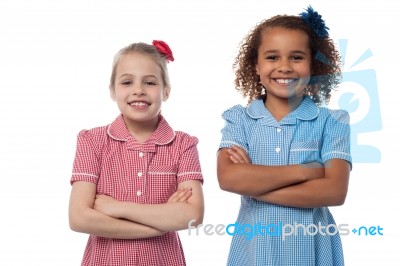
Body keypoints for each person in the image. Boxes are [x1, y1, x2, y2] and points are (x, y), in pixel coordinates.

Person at [217, 6, 351, 266]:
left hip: (311, 252)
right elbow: (229, 178)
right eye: (272, 57)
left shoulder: (332, 121)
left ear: (314, 64)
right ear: (256, 65)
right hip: (254, 253)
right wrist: (308, 171)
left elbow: (335, 191)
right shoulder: (239, 120)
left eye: (297, 57)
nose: (284, 67)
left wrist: (254, 186)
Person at [69, 40, 204, 266]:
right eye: (127, 82)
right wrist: (160, 223)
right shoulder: (91, 141)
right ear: (113, 90)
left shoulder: (183, 145)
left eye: (150, 82)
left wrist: (116, 208)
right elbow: (79, 218)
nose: (138, 90)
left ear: (166, 91)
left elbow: (192, 216)